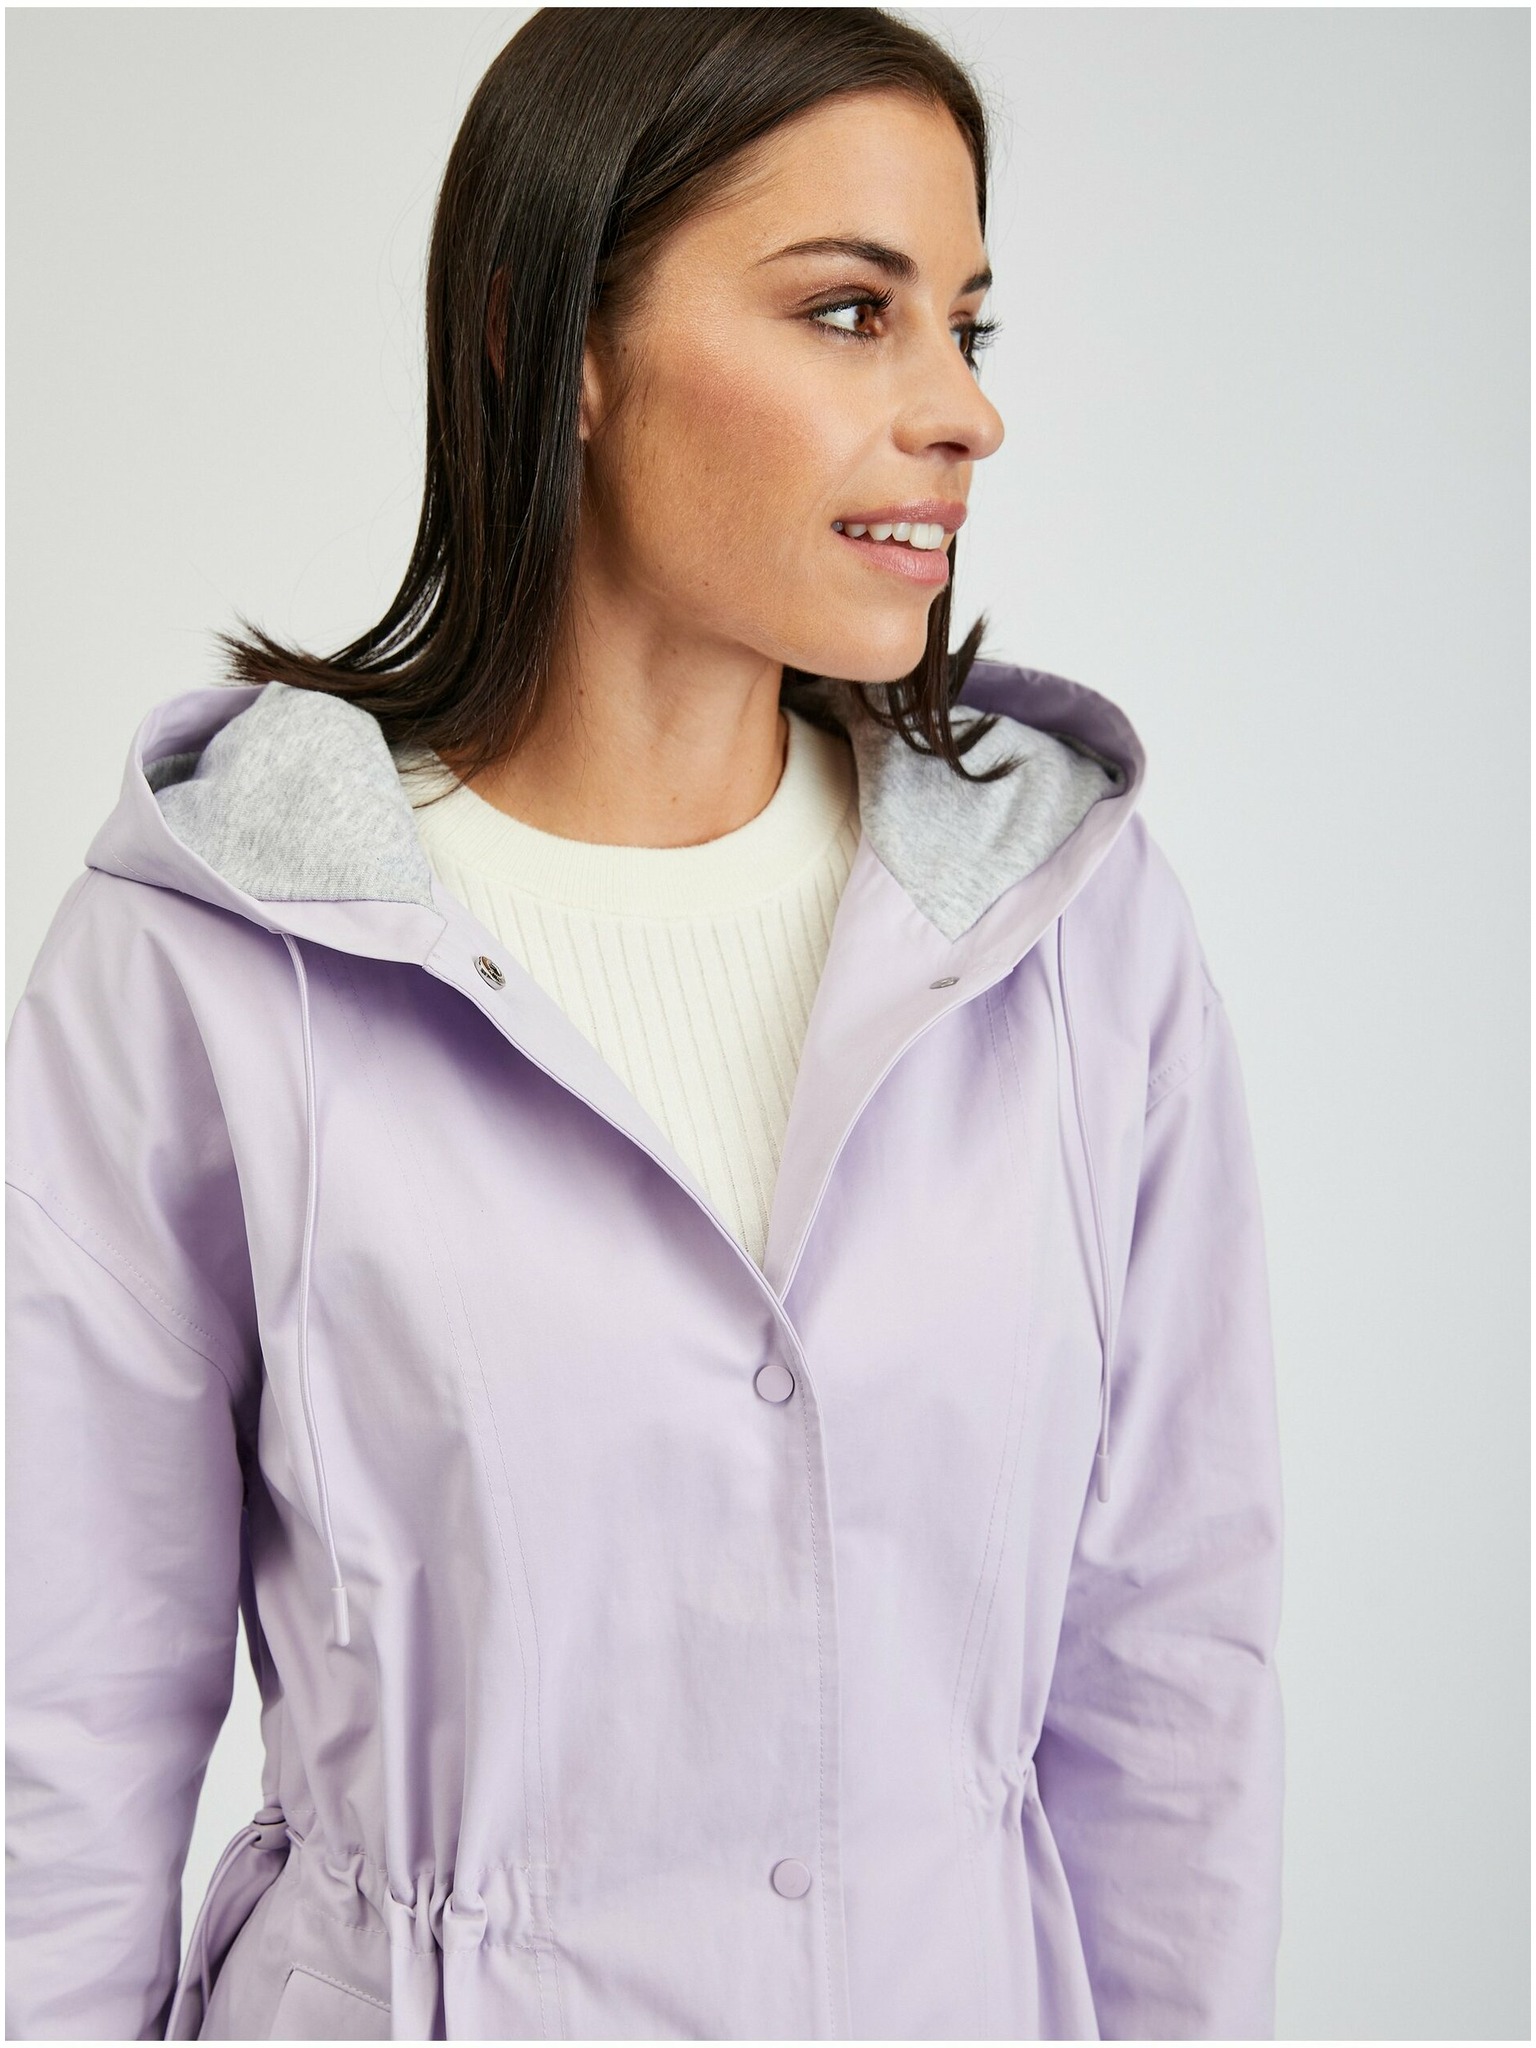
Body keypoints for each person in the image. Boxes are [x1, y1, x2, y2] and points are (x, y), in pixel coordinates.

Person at [5, 8, 1285, 2040]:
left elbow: (1172, 1678)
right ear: (555, 344)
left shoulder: (1072, 936)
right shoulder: (212, 960)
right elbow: (56, 1746)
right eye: (852, 311)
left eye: (968, 325)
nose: (965, 411)